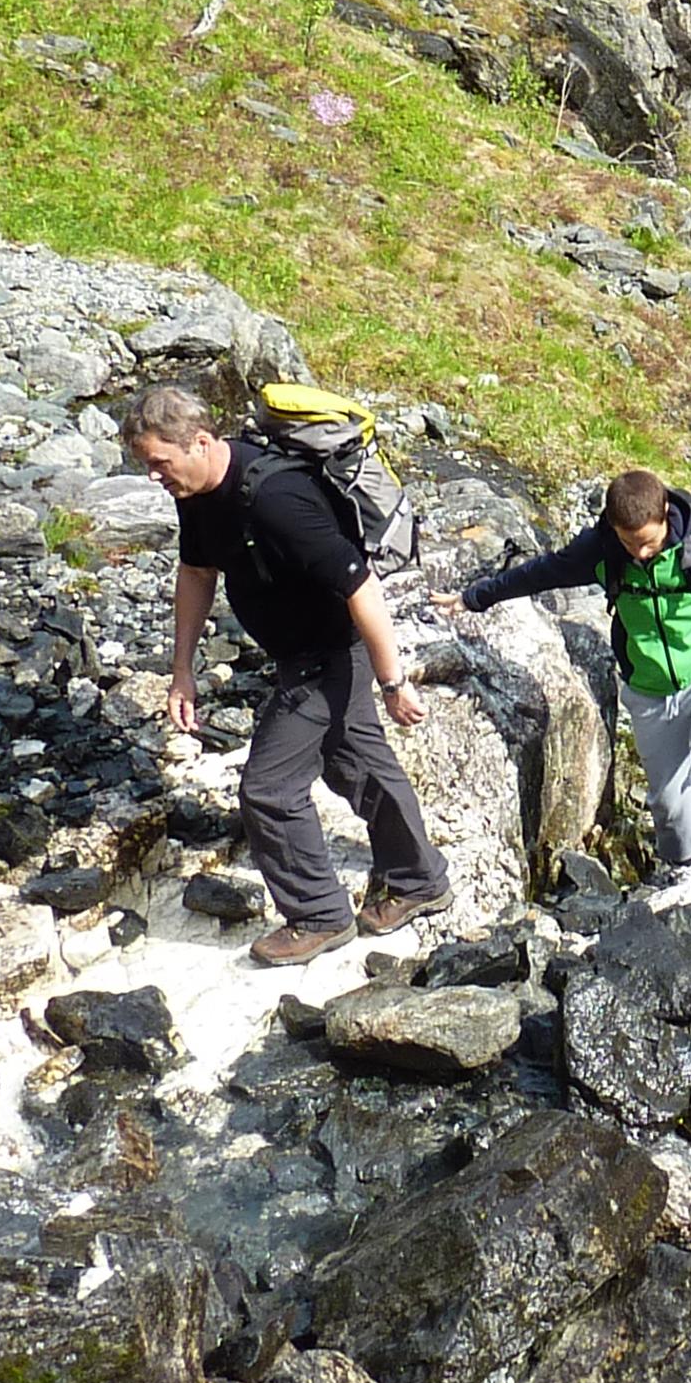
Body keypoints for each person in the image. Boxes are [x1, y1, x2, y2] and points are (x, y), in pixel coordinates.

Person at [126, 385, 450, 966]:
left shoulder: (278, 499)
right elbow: (197, 571)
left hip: (325, 654)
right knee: (357, 764)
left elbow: (361, 586)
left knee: (268, 791)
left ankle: (319, 916)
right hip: (300, 652)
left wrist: (392, 681)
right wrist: (182, 670)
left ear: (200, 443)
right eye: (148, 465)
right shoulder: (197, 490)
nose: (154, 477)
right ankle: (419, 881)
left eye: (159, 463)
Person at [453, 467, 691, 906]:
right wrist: (473, 598)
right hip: (648, 684)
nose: (640, 552)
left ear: (666, 515)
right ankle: (687, 864)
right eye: (629, 542)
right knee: (667, 797)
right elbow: (540, 573)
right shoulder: (600, 549)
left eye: (648, 541)